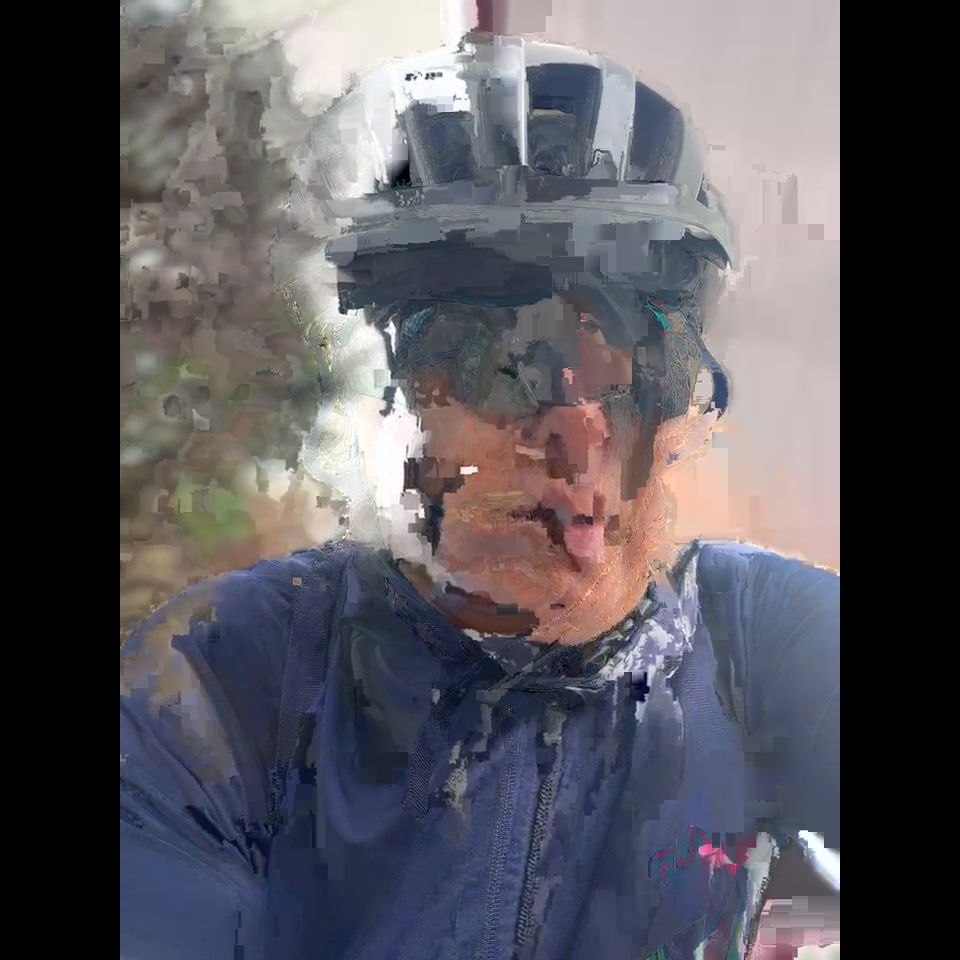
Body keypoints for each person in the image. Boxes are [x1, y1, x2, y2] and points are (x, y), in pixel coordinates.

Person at [120, 33, 839, 960]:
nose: (575, 431)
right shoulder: (233, 677)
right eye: (494, 362)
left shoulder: (755, 643)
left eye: (633, 367)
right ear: (392, 395)